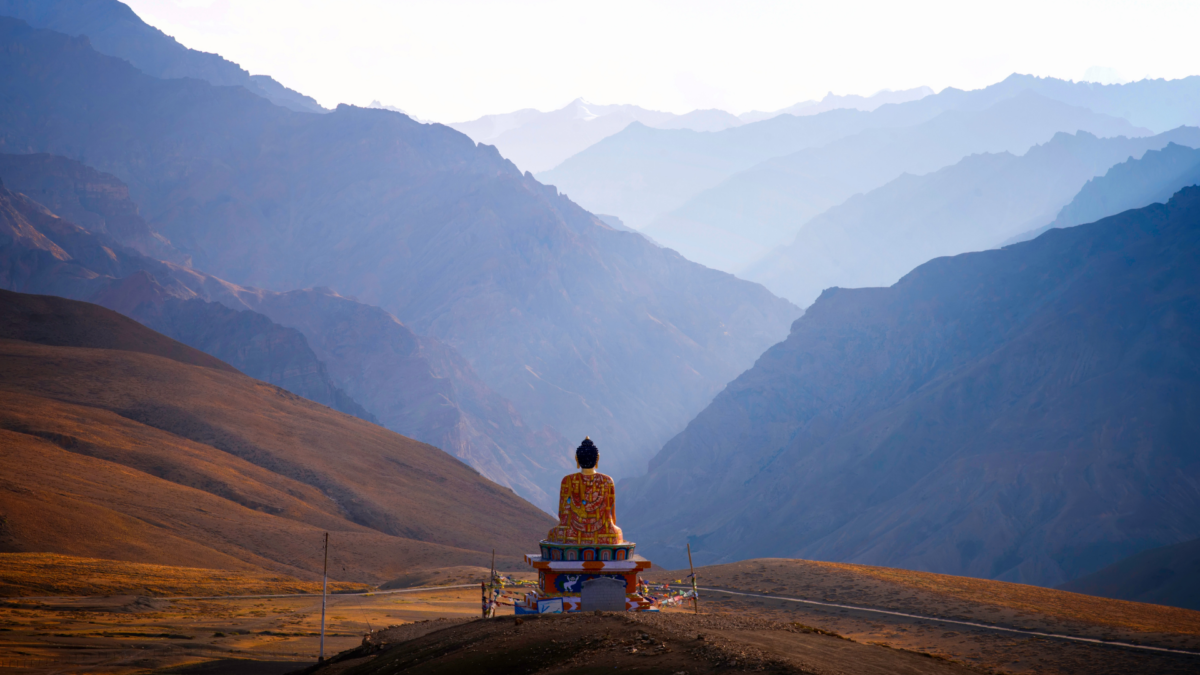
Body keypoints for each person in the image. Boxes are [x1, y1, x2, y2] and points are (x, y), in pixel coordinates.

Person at [544, 438, 624, 545]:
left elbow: (561, 514)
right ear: (597, 458)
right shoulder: (607, 481)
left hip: (571, 533)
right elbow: (612, 517)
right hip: (604, 532)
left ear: (577, 459)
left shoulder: (567, 480)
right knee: (616, 533)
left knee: (553, 534)